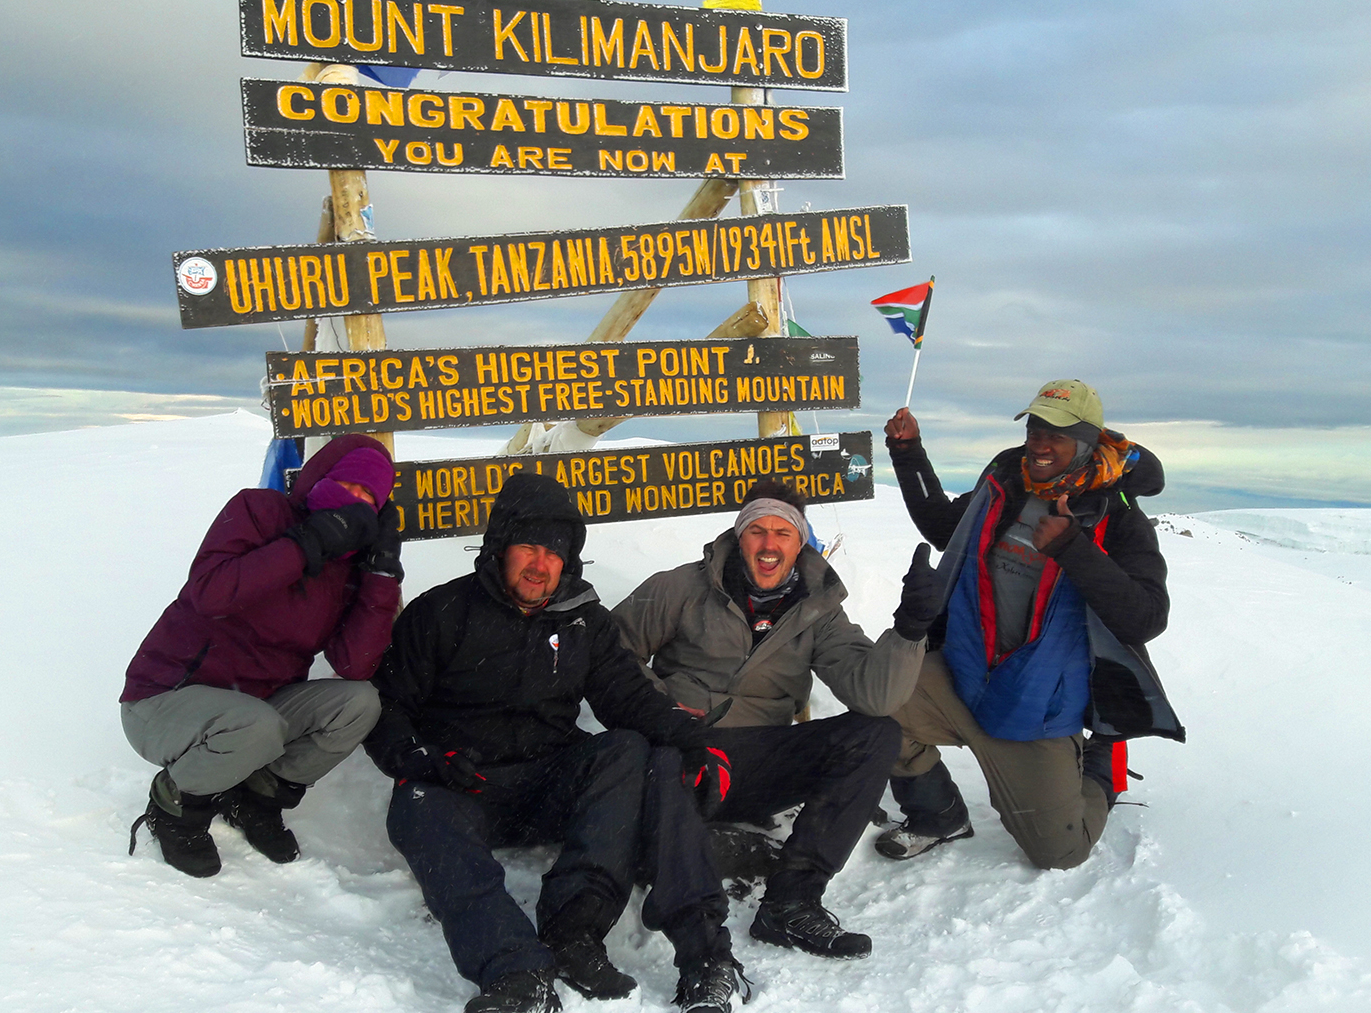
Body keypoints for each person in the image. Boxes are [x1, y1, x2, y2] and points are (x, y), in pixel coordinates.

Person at [364, 473, 744, 1013]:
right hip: (461, 782)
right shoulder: (442, 612)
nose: (540, 565)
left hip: (548, 780)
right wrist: (418, 757)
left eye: (554, 553)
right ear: (499, 548)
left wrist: (693, 742)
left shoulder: (582, 620)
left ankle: (574, 931)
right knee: (414, 804)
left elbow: (629, 698)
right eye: (528, 547)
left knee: (628, 750)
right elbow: (389, 702)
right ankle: (516, 972)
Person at [613, 478, 929, 961]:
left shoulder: (818, 610)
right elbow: (611, 653)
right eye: (757, 530)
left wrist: (909, 630)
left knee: (875, 733)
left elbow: (874, 694)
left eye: (783, 533)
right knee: (649, 781)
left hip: (755, 763)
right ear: (738, 538)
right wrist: (664, 711)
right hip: (679, 754)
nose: (768, 544)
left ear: (800, 543)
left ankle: (792, 901)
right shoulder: (682, 586)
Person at [877, 379, 1184, 869]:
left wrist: (1072, 549)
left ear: (1087, 442)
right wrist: (907, 451)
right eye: (1036, 427)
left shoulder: (1117, 515)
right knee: (878, 701)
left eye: (1058, 433)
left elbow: (1147, 617)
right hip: (964, 673)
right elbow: (942, 527)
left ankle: (1103, 759)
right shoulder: (1007, 483)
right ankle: (938, 815)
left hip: (1039, 705)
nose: (1041, 443)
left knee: (1058, 853)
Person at [120, 434, 404, 877]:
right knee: (257, 726)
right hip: (162, 701)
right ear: (320, 477)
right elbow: (211, 593)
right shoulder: (258, 511)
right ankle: (176, 805)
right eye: (348, 486)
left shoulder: (347, 567)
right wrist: (304, 544)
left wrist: (381, 574)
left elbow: (354, 664)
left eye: (369, 498)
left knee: (359, 703)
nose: (355, 502)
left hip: (255, 712)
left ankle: (255, 798)